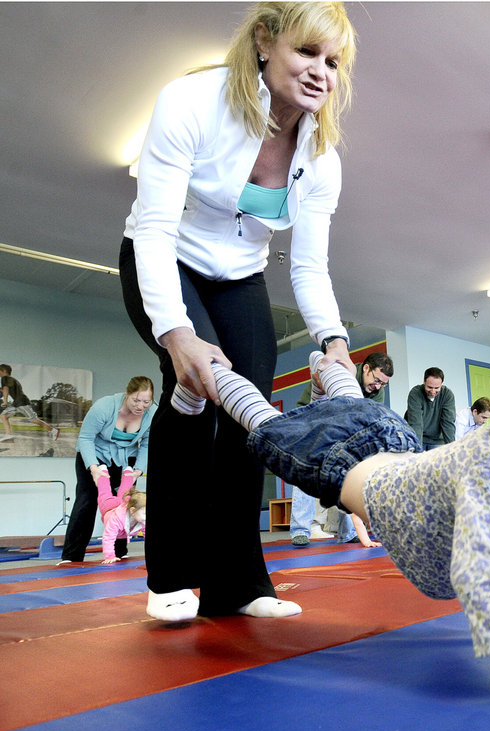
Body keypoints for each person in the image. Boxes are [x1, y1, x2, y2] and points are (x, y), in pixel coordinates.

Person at [173, 325, 490, 700]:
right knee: (262, 416)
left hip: (393, 444)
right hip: (334, 464)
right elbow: (478, 575)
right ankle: (206, 365)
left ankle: (325, 367)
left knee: (351, 405)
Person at [119, 2, 358, 622]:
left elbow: (307, 266)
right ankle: (169, 573)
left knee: (253, 417)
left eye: (332, 62)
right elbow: (153, 230)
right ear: (263, 41)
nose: (320, 72)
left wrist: (333, 339)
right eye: (306, 52)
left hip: (239, 276)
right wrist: (177, 335)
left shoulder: (322, 158)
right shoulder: (191, 103)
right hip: (166, 257)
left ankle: (239, 582)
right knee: (195, 387)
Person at [290, 351, 392, 546]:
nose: (378, 386)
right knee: (304, 471)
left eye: (383, 384)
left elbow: (369, 419)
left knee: (349, 476)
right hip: (313, 416)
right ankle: (300, 531)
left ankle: (348, 533)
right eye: (376, 380)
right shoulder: (341, 374)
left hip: (342, 426)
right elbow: (329, 409)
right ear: (366, 368)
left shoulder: (377, 390)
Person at [59, 377, 156, 565]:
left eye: (146, 402)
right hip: (94, 454)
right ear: (127, 394)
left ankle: (119, 552)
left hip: (126, 457)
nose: (140, 406)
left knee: (126, 503)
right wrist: (94, 469)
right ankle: (71, 556)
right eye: (136, 400)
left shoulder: (152, 413)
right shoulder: (104, 407)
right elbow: (86, 438)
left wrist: (138, 470)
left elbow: (147, 443)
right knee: (86, 501)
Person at [96, 469, 147, 565]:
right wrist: (109, 556)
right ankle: (103, 473)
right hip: (108, 507)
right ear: (132, 511)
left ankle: (128, 473)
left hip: (123, 505)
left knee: (125, 493)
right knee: (104, 493)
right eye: (145, 514)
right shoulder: (116, 520)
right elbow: (108, 537)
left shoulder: (141, 517)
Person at [0, 364, 60, 443]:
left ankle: (54, 430)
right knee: (3, 415)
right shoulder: (11, 379)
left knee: (33, 420)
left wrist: (5, 401)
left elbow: (5, 389)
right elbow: (5, 389)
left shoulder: (5, 378)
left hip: (22, 402)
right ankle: (9, 435)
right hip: (17, 402)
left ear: (4, 371)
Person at [405, 367, 455, 449]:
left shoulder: (447, 395)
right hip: (418, 438)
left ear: (441, 384)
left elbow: (448, 423)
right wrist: (417, 449)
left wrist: (452, 448)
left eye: (437, 388)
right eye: (430, 387)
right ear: (424, 382)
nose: (433, 391)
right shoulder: (415, 393)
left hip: (437, 440)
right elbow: (416, 423)